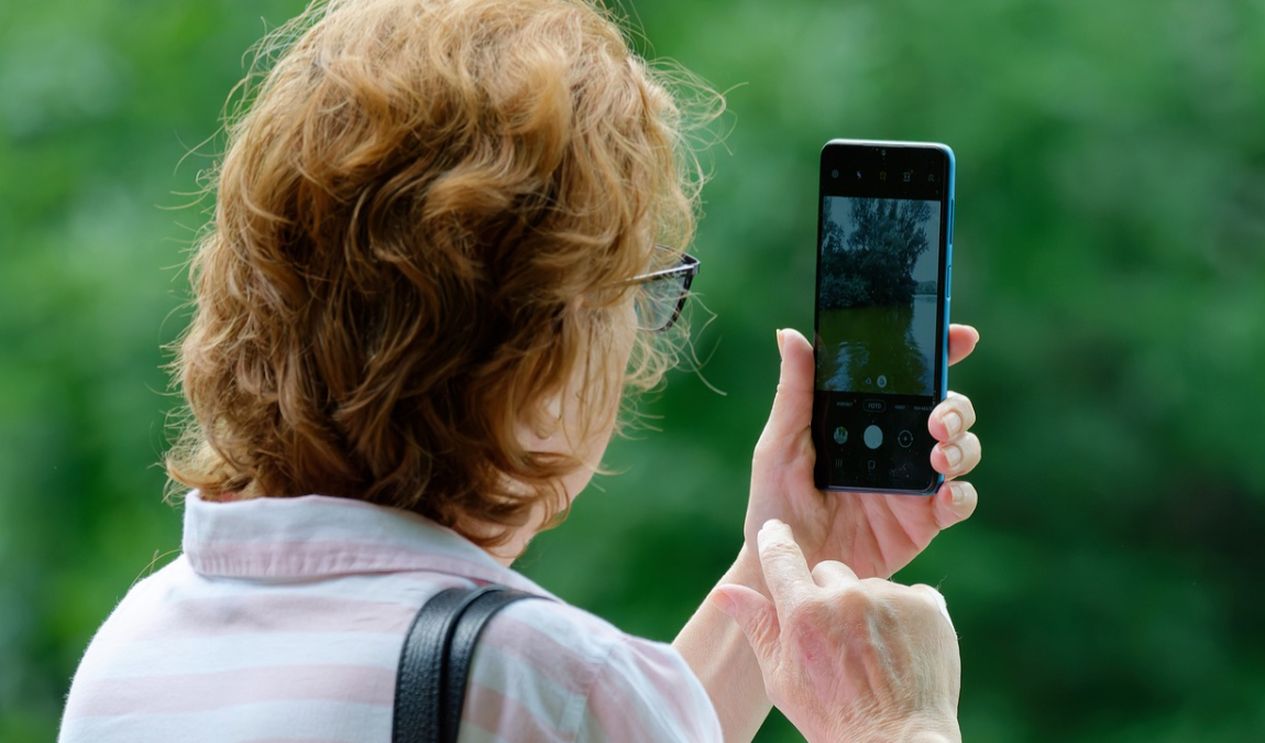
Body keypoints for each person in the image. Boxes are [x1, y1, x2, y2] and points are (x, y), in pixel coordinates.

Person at [58, 0, 984, 740]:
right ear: (537, 335)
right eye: (634, 288)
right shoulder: (543, 682)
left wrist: (785, 555)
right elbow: (572, 706)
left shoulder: (131, 654)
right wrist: (894, 722)